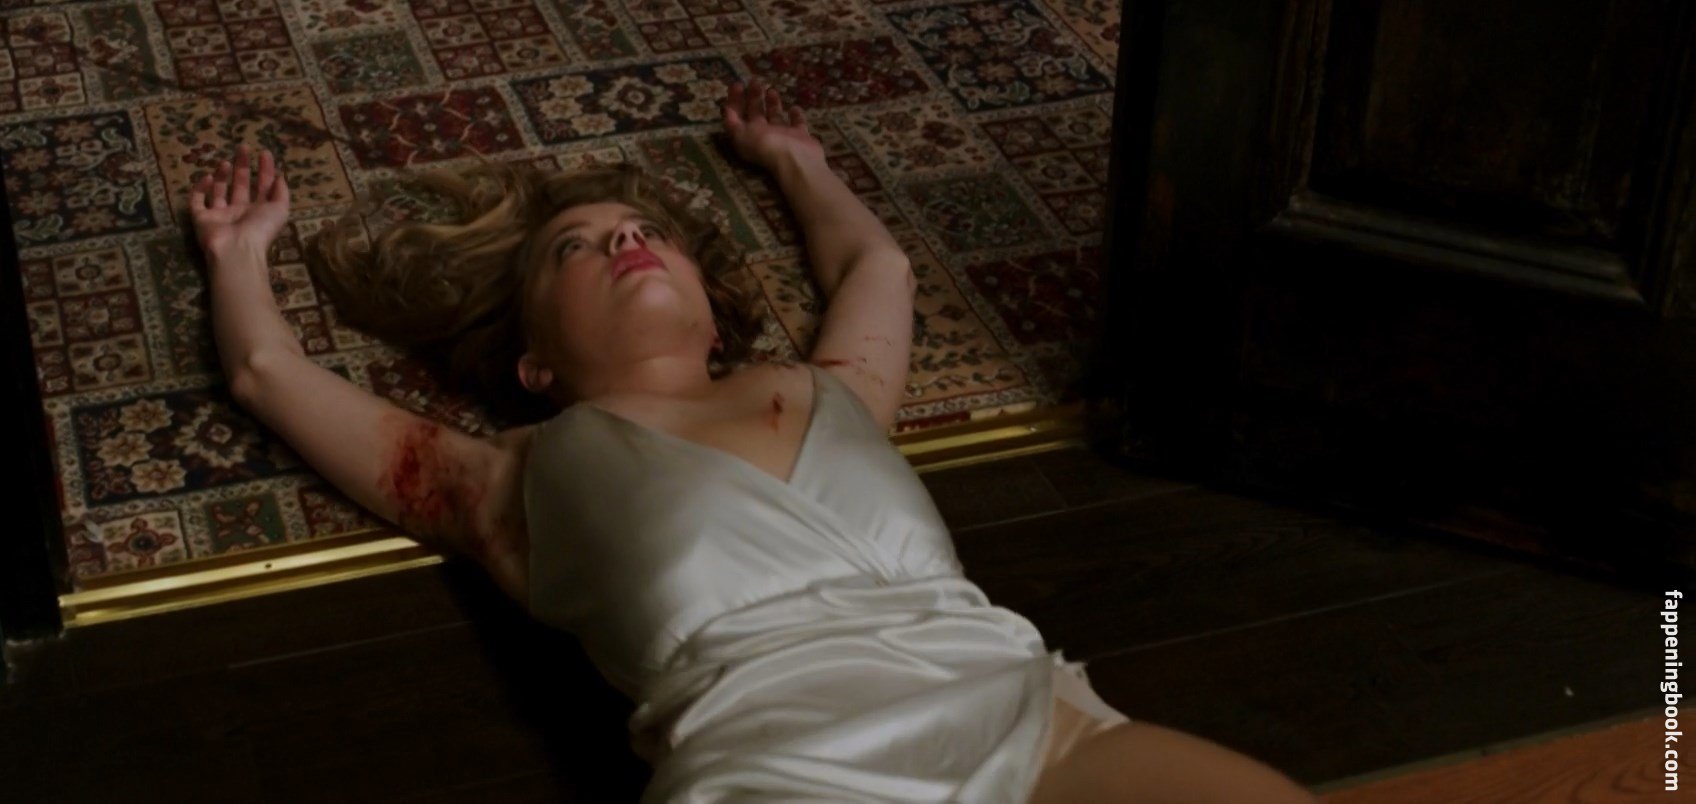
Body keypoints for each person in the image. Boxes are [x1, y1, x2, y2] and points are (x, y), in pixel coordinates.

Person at [187, 78, 1318, 803]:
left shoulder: (831, 393)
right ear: (535, 364)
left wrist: (794, 160)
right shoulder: (514, 479)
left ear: (713, 313)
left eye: (646, 230)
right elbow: (266, 374)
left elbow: (877, 267)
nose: (625, 240)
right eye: (576, 248)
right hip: (781, 771)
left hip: (1034, 721)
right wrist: (241, 253)